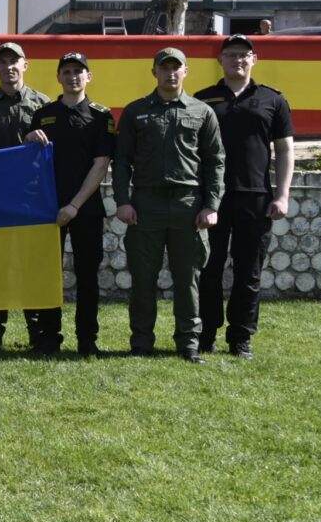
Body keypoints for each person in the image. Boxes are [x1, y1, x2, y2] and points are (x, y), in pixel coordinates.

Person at [114, 47, 225, 364]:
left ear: (186, 72)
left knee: (187, 279)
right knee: (143, 278)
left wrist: (211, 204)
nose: (171, 73)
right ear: (154, 72)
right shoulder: (136, 112)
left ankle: (188, 344)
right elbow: (121, 162)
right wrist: (123, 201)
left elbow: (215, 163)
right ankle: (141, 343)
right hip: (146, 205)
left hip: (188, 206)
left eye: (177, 68)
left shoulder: (202, 112)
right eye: (164, 68)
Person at [194, 34, 294, 359]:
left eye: (244, 54)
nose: (238, 59)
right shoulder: (202, 100)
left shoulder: (273, 100)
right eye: (231, 54)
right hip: (212, 198)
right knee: (209, 269)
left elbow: (284, 149)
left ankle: (240, 338)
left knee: (248, 272)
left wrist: (282, 195)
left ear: (254, 59)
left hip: (256, 198)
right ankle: (206, 333)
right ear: (219, 60)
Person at [24, 52, 116, 356]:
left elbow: (100, 165)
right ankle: (49, 338)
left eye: (79, 71)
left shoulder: (101, 116)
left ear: (88, 76)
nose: (73, 76)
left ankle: (87, 341)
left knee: (87, 275)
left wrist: (74, 206)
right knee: (49, 275)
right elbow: (31, 162)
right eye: (67, 71)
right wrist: (27, 141)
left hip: (85, 208)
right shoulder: (44, 114)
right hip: (48, 209)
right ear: (58, 77)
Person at [0, 41, 51, 348]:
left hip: (32, 199)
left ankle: (37, 331)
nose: (9, 67)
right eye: (2, 62)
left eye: (14, 61)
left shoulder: (43, 106)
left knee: (32, 267)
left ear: (25, 65)